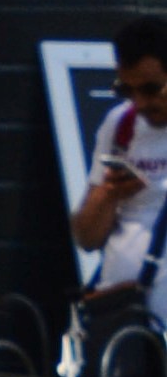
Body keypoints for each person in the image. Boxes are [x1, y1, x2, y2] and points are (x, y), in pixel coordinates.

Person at [69, 21, 167, 351]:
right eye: (127, 90)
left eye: (151, 89)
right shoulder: (120, 125)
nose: (138, 103)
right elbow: (87, 237)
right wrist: (109, 193)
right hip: (124, 321)